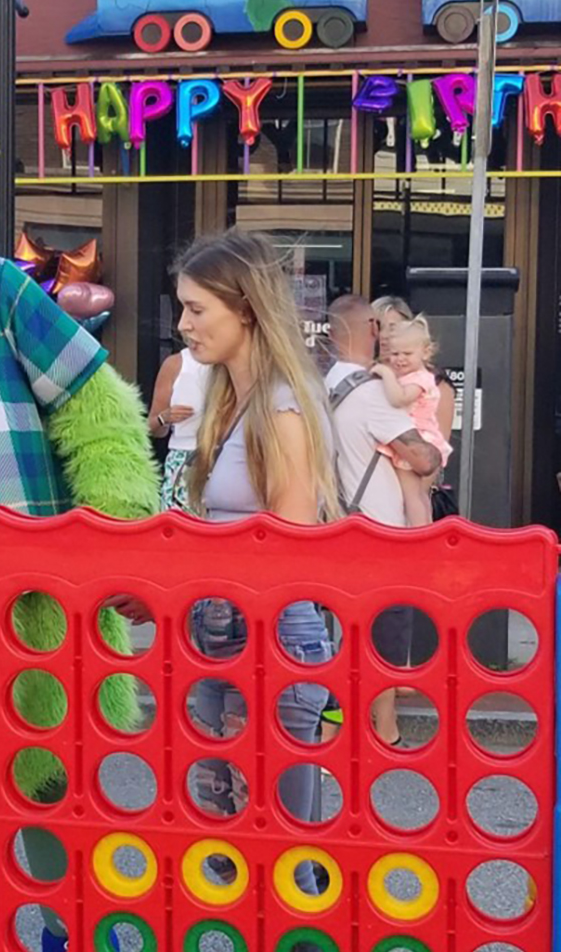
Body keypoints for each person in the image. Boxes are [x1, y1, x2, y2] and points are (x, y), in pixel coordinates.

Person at [174, 230, 340, 904]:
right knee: (226, 848)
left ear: (244, 310)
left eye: (196, 310)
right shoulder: (226, 398)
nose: (183, 325)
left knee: (281, 854)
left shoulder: (280, 405)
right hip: (219, 630)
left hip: (272, 636)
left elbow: (291, 545)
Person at [326, 295, 442, 746]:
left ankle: (372, 728)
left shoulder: (322, 386)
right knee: (387, 635)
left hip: (341, 528)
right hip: (382, 535)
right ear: (372, 329)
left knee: (356, 632)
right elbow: (424, 458)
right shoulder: (372, 392)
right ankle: (352, 728)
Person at [372, 315, 453, 526]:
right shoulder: (417, 376)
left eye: (407, 353)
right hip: (419, 437)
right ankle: (426, 529)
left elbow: (399, 399)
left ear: (425, 352)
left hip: (416, 439)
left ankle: (418, 533)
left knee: (410, 496)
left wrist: (384, 373)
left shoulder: (418, 379)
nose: (400, 359)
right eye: (394, 354)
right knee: (419, 495)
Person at [147, 345, 211, 510]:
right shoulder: (175, 364)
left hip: (220, 454)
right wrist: (165, 418)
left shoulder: (229, 362)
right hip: (182, 456)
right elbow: (151, 427)